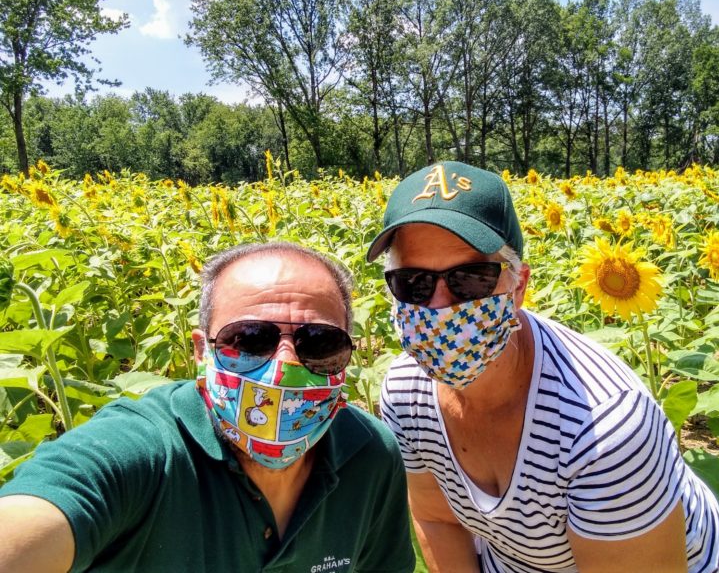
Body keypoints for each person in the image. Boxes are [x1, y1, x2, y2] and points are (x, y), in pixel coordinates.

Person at [368, 161, 719, 573]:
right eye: (412, 282)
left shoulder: (605, 426)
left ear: (518, 285)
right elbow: (436, 519)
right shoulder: (404, 393)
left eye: (470, 279)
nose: (438, 305)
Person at [0, 242, 415, 573]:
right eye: (249, 340)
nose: (285, 367)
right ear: (202, 350)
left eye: (320, 343)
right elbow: (42, 512)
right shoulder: (146, 453)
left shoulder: (368, 453)